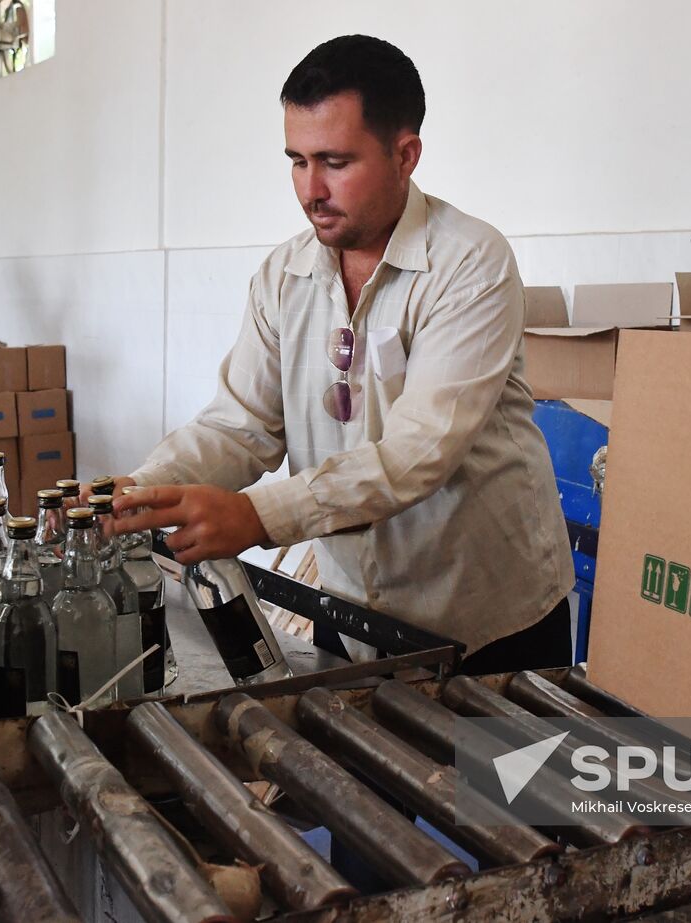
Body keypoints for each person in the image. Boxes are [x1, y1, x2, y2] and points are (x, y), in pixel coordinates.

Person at [107, 35, 574, 674]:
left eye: (334, 161)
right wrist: (139, 492)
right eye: (296, 160)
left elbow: (417, 455)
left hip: (486, 621)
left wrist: (256, 516)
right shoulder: (286, 275)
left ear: (405, 154)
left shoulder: (469, 264)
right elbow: (239, 426)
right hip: (353, 611)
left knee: (487, 779)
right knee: (359, 774)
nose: (310, 189)